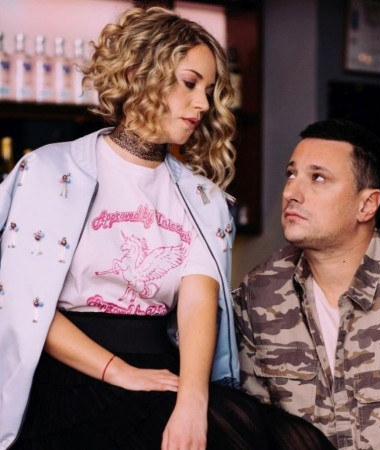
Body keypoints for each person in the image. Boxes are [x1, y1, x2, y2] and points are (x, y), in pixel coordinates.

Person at [0, 6, 335, 450]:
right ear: (139, 75)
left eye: (209, 91)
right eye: (190, 83)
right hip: (70, 376)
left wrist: (192, 401)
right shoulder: (47, 170)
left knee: (298, 442)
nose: (203, 104)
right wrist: (119, 371)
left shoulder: (202, 197)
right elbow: (24, 302)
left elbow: (198, 303)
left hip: (163, 370)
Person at [233, 118, 380, 450]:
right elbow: (253, 432)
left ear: (366, 204)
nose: (291, 193)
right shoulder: (258, 293)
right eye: (291, 175)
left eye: (317, 177)